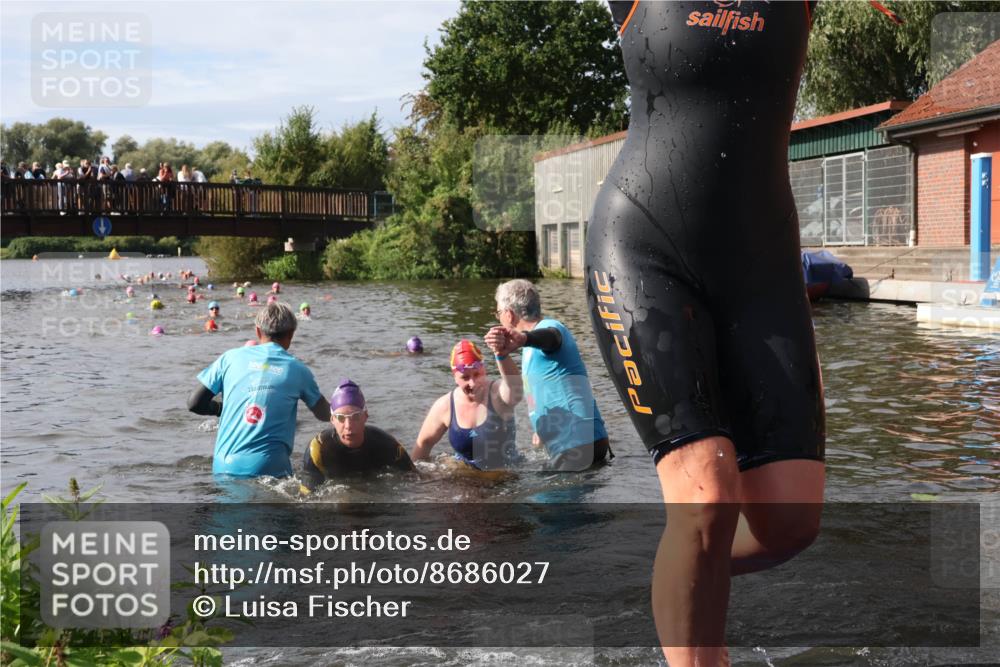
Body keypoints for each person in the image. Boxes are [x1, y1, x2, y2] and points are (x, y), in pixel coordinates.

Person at [587, 3, 835, 663]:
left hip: (762, 270)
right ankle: (690, 560)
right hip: (645, 248)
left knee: (788, 520)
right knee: (707, 493)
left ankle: (683, 560)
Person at [187, 302, 331, 477]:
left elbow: (194, 403)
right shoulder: (297, 370)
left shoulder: (229, 358)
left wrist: (220, 408)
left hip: (224, 466)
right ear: (292, 334)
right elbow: (323, 414)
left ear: (257, 331)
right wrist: (346, 409)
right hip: (270, 469)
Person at [486, 279, 610, 471]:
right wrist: (541, 430)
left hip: (577, 444)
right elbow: (529, 390)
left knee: (532, 499)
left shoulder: (550, 328)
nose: (498, 318)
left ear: (509, 314)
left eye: (498, 313)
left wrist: (525, 338)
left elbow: (552, 338)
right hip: (577, 444)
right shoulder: (529, 348)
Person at [412, 340, 521, 471]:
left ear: (484, 369)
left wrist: (501, 354)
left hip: (505, 481)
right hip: (466, 481)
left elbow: (516, 388)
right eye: (465, 377)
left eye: (477, 374)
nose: (473, 383)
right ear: (455, 377)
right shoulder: (445, 405)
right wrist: (413, 477)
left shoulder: (498, 394)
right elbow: (424, 443)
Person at [299, 379, 415, 493]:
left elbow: (416, 481)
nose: (348, 426)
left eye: (355, 417)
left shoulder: (386, 445)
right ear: (332, 419)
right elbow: (305, 499)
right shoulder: (318, 449)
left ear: (365, 416)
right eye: (341, 418)